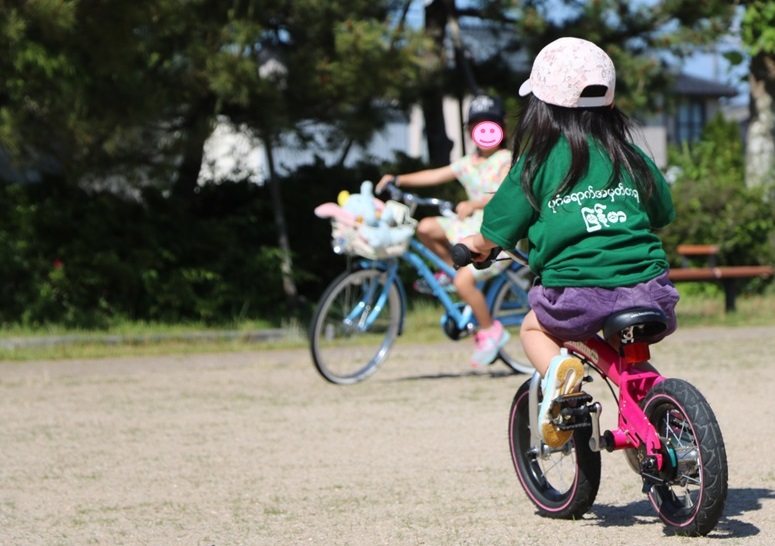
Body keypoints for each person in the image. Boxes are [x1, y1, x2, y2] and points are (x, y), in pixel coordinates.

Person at [459, 37, 680, 448]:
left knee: (531, 327)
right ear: (610, 104)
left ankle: (559, 373)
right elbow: (663, 212)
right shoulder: (631, 156)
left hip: (577, 294)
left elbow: (498, 226)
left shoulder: (538, 162)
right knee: (630, 352)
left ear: (541, 107)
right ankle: (656, 415)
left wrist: (479, 243)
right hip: (650, 292)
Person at [375, 95, 512, 368]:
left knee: (464, 281)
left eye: (490, 125)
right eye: (477, 126)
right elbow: (434, 175)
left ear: (502, 129)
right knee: (425, 227)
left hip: (495, 232)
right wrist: (398, 179)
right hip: (466, 227)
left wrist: (475, 203)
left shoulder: (507, 159)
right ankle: (450, 271)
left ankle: (490, 331)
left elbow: (507, 194)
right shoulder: (468, 162)